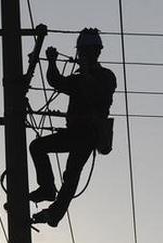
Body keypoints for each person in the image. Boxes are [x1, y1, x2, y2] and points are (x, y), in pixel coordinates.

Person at [28, 28, 117, 227]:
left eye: (86, 52)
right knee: (38, 147)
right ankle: (47, 189)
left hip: (88, 134)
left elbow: (95, 92)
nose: (83, 56)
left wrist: (85, 71)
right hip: (74, 133)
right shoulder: (78, 79)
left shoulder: (106, 76)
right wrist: (51, 61)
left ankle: (54, 212)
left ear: (95, 53)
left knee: (71, 174)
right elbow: (56, 82)